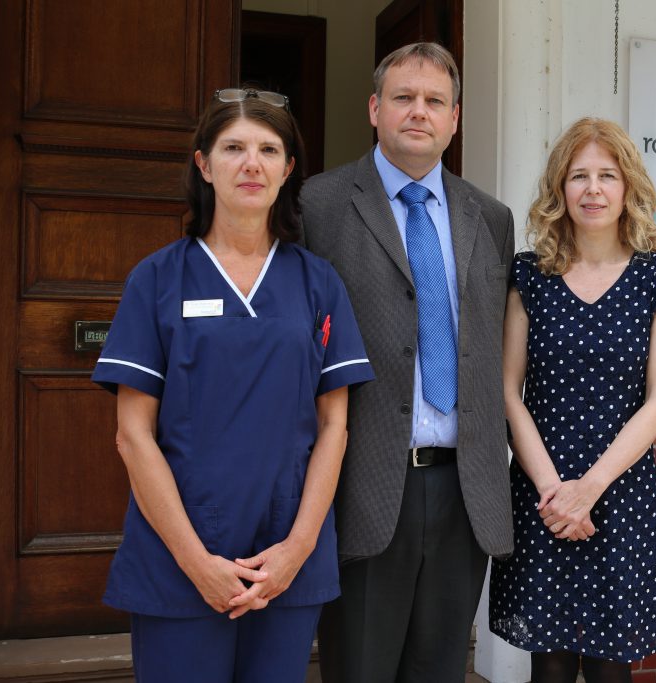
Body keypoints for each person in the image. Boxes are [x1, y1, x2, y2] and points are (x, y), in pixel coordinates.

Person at [91, 87, 374, 682]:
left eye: (269, 149)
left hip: (285, 559)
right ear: (203, 164)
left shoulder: (317, 283)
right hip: (181, 556)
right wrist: (198, 564)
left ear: (289, 168)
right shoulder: (158, 279)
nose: (252, 164)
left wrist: (296, 549)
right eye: (233, 147)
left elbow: (334, 426)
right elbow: (132, 435)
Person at [300, 42, 515, 683]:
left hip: (464, 487)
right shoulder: (319, 204)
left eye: (434, 102)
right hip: (363, 481)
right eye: (403, 98)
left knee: (442, 668)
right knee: (360, 667)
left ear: (454, 118)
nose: (418, 112)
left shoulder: (491, 217)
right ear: (374, 108)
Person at [489, 117, 656, 683]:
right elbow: (509, 391)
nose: (593, 189)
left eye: (607, 175)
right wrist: (557, 494)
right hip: (543, 496)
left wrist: (589, 491)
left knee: (610, 671)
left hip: (621, 499)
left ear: (628, 188)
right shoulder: (530, 275)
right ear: (560, 189)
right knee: (548, 669)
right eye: (579, 176)